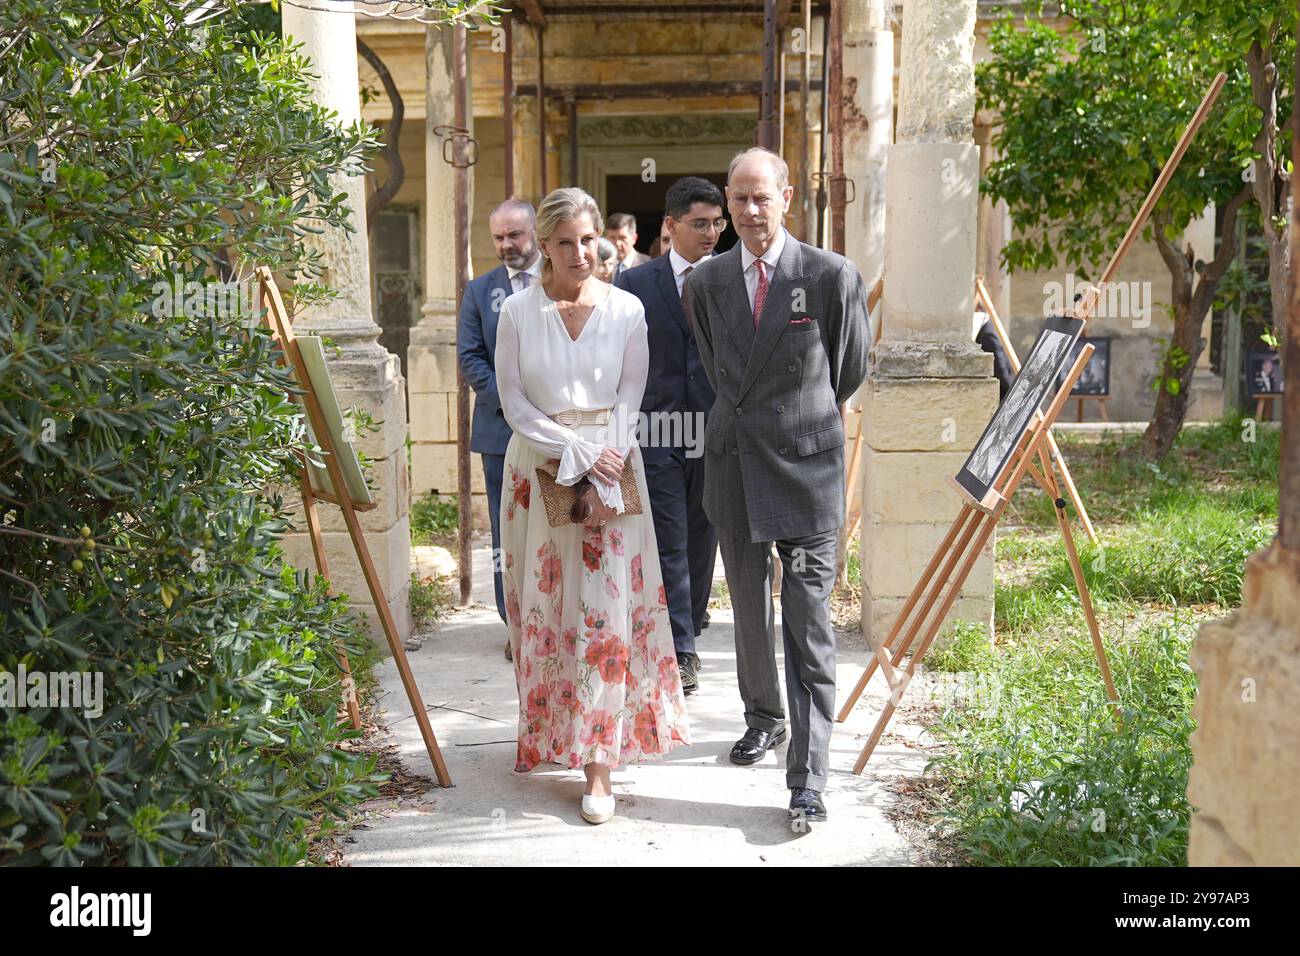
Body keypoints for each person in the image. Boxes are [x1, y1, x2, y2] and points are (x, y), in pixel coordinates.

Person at [686, 147, 870, 825]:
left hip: (807, 472)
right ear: (727, 205)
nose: (750, 211)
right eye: (739, 199)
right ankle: (764, 716)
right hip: (734, 468)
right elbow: (715, 366)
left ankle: (808, 780)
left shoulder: (827, 276)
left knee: (808, 623)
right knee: (748, 614)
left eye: (762, 197)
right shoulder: (706, 283)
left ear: (788, 198)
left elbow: (845, 371)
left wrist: (798, 420)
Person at [495, 187, 690, 826]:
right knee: (548, 608)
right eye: (564, 243)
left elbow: (632, 394)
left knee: (607, 610)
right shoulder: (517, 313)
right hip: (541, 465)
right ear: (543, 248)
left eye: (588, 240)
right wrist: (572, 447)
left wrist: (605, 452)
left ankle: (600, 762)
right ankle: (554, 735)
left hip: (610, 468)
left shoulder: (628, 308)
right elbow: (514, 402)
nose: (580, 254)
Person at [616, 176, 725, 697]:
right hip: (655, 431)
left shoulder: (730, 279)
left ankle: (692, 620)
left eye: (717, 223)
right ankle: (680, 648)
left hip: (714, 430)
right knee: (669, 537)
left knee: (704, 537)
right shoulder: (635, 284)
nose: (711, 233)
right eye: (700, 223)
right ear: (671, 226)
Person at [457, 198, 542, 662]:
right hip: (500, 433)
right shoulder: (479, 291)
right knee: (506, 532)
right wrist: (513, 405)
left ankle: (556, 617)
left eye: (516, 235)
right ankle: (515, 624)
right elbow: (470, 357)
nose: (507, 245)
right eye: (499, 237)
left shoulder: (559, 279)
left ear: (535, 232)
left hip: (559, 431)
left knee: (557, 525)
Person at [606, 212, 650, 282]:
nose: (617, 243)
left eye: (622, 238)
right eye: (612, 238)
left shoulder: (648, 265)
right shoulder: (599, 267)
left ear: (634, 238)